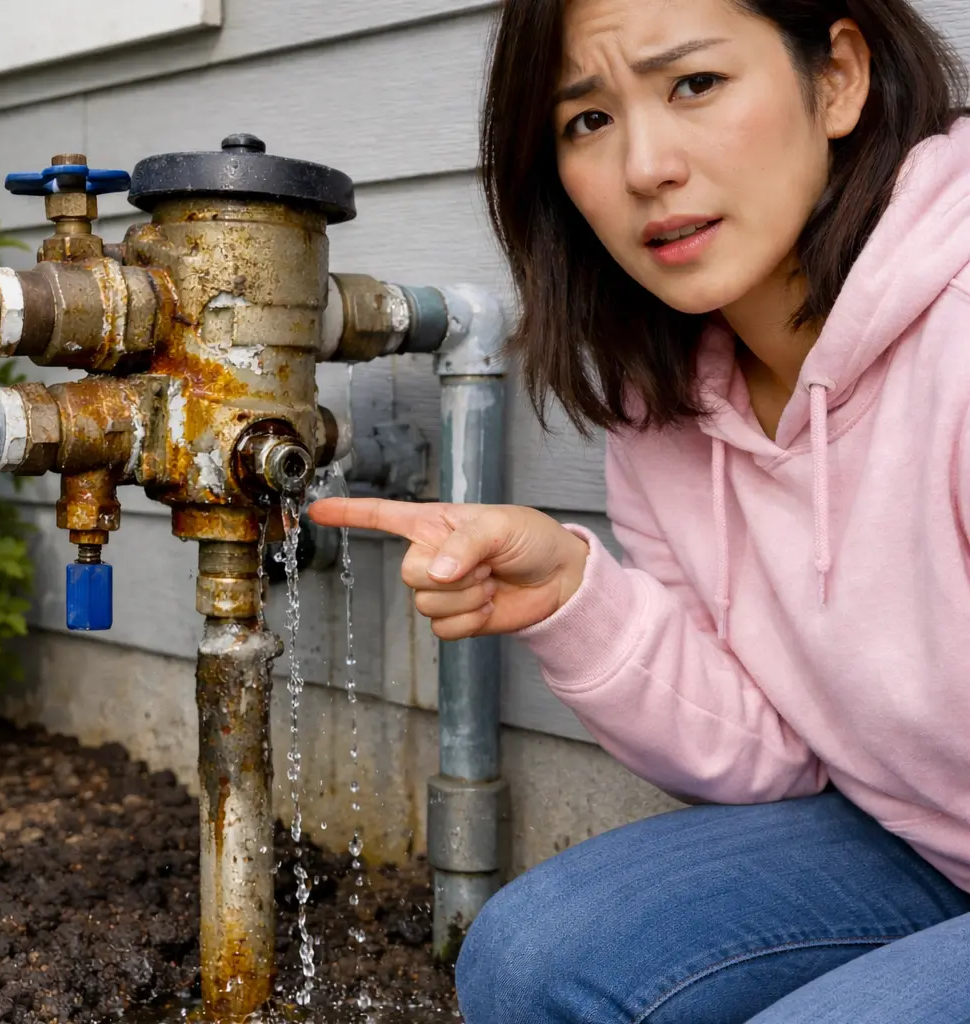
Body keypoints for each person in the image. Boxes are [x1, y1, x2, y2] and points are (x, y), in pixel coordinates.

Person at [309, 0, 970, 1019]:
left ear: (835, 77)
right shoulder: (662, 412)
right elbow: (772, 754)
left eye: (693, 84)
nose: (644, 166)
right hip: (921, 841)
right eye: (586, 120)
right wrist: (574, 596)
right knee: (532, 956)